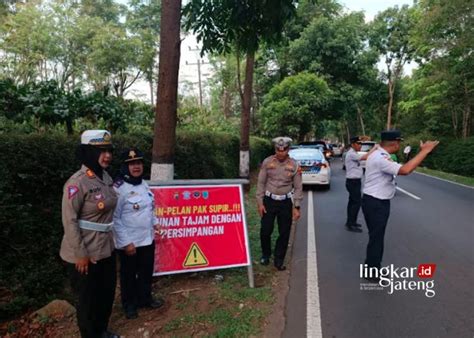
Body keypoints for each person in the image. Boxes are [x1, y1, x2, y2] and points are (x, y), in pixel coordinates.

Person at [60, 130, 119, 338]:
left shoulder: (105, 177)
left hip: (106, 248)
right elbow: (70, 220)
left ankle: (101, 330)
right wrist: (80, 254)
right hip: (84, 252)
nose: (107, 155)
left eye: (109, 150)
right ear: (87, 153)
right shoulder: (77, 183)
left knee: (106, 293)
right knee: (87, 299)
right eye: (100, 151)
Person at [361, 130, 439, 282]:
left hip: (374, 201)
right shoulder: (380, 158)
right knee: (376, 238)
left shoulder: (379, 155)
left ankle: (373, 266)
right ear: (395, 143)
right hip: (376, 203)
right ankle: (371, 272)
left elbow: (403, 167)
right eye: (399, 142)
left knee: (376, 237)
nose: (400, 145)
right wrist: (425, 151)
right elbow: (405, 170)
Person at [113, 148, 164, 319]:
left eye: (139, 163)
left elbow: (150, 207)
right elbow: (115, 218)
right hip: (130, 242)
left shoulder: (142, 184)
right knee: (128, 275)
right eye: (132, 164)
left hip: (147, 238)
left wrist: (156, 224)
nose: (136, 167)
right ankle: (129, 305)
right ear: (125, 166)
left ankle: (145, 298)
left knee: (146, 271)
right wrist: (126, 242)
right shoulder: (119, 188)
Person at [256, 136, 303, 271]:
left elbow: (298, 187)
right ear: (275, 149)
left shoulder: (294, 165)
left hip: (285, 203)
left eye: (283, 150)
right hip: (269, 201)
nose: (280, 153)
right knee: (265, 230)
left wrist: (297, 206)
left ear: (288, 149)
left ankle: (279, 259)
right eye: (278, 150)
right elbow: (261, 183)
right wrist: (260, 202)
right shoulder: (267, 162)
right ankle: (266, 254)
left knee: (284, 232)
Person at [344, 136, 378, 233]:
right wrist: (374, 148)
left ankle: (351, 222)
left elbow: (364, 161)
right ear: (353, 144)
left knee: (352, 203)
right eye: (358, 144)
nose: (360, 146)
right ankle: (351, 224)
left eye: (361, 144)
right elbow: (365, 157)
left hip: (354, 182)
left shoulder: (354, 153)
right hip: (353, 182)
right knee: (356, 203)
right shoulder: (351, 154)